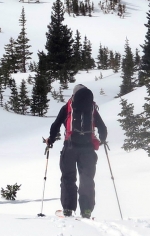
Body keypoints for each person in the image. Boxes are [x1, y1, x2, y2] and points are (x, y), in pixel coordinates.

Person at [46, 84, 108, 218]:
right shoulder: (91, 108)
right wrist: (102, 139)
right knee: (87, 178)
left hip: (70, 146)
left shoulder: (68, 106)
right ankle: (86, 210)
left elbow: (56, 125)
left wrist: (51, 139)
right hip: (88, 149)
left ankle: (68, 209)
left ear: (74, 95)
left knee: (68, 177)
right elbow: (103, 128)